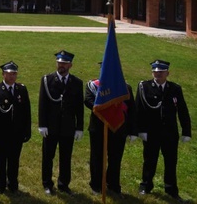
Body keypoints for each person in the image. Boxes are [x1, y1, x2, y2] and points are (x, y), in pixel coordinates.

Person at [136, 59, 191, 201]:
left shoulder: (175, 88)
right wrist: (140, 130)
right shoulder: (144, 87)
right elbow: (139, 110)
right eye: (155, 71)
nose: (157, 74)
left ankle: (171, 189)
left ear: (167, 73)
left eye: (161, 72)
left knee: (171, 161)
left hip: (170, 133)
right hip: (151, 132)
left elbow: (182, 110)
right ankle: (145, 186)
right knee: (149, 160)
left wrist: (186, 131)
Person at [38, 50, 84, 196]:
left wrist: (79, 127)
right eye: (59, 62)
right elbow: (42, 104)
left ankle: (64, 184)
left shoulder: (77, 83)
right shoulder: (47, 80)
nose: (61, 65)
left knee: (65, 157)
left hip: (67, 127)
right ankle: (47, 184)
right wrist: (42, 124)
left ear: (70, 65)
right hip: (50, 126)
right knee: (47, 156)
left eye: (64, 63)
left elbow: (79, 107)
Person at [85, 64, 135, 196]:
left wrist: (132, 131)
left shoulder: (126, 87)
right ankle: (96, 185)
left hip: (119, 128)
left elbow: (131, 110)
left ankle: (113, 184)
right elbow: (88, 101)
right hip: (98, 127)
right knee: (97, 157)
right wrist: (106, 111)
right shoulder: (93, 85)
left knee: (115, 158)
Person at [0, 61, 32, 195]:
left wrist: (27, 131)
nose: (11, 77)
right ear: (3, 74)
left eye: (14, 74)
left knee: (14, 160)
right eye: (8, 74)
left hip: (16, 133)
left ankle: (13, 183)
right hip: (1, 134)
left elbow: (26, 112)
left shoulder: (21, 90)